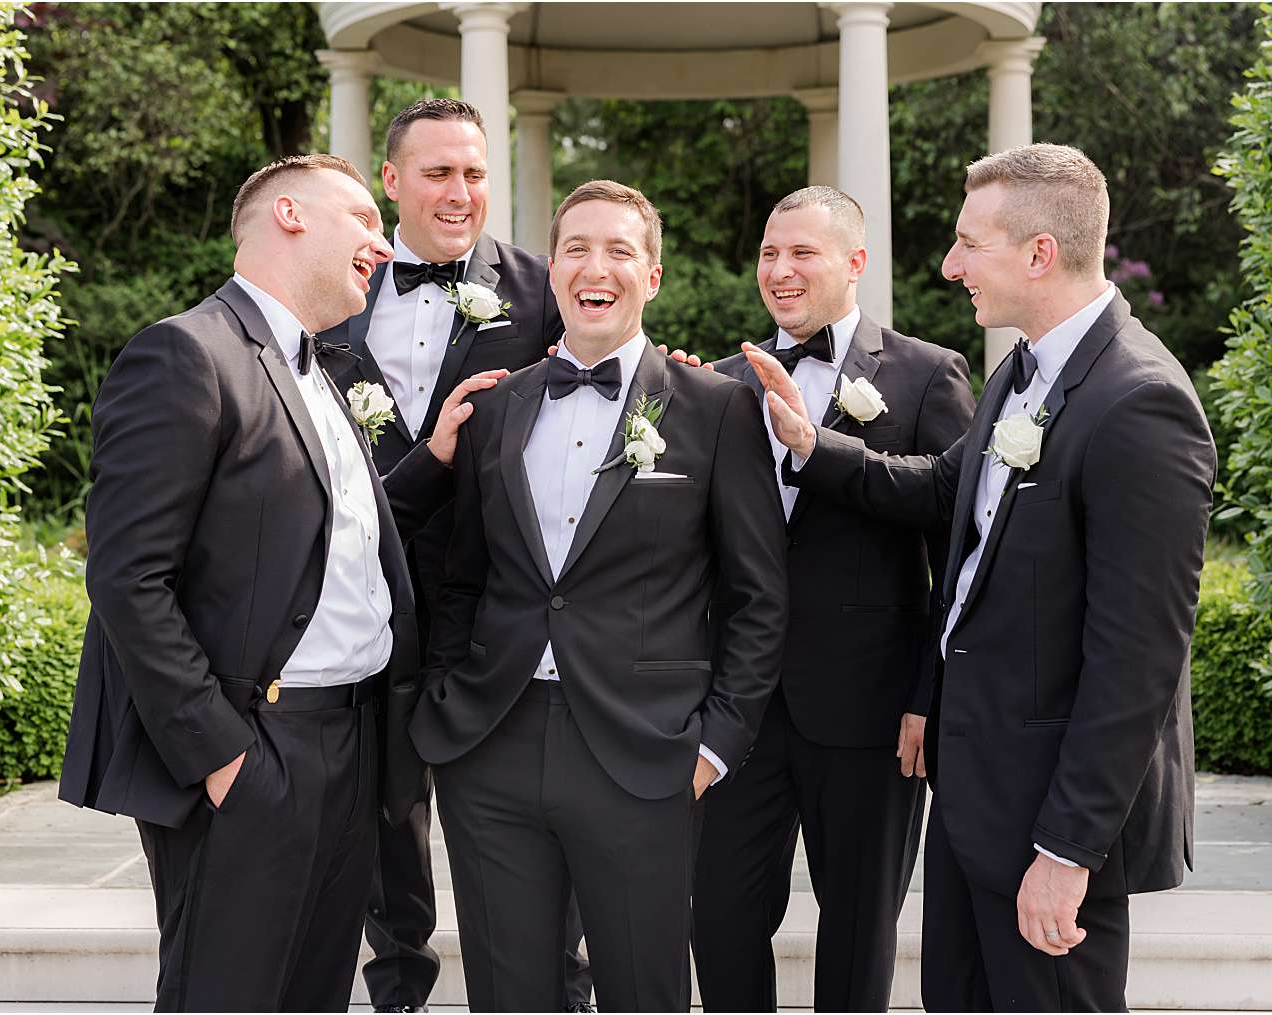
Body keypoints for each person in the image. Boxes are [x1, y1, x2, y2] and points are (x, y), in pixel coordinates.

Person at [746, 143, 1215, 1012]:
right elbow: (940, 488)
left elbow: (1138, 662)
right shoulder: (1023, 371)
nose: (949, 264)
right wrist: (810, 446)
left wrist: (1067, 851)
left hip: (1048, 820)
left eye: (969, 243)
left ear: (1039, 253)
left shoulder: (1140, 400)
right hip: (975, 797)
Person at [58, 154, 498, 1012]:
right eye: (364, 220)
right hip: (255, 746)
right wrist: (222, 756)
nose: (380, 243)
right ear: (289, 215)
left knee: (313, 996)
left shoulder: (323, 370)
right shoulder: (187, 353)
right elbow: (126, 578)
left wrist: (436, 459)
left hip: (354, 742)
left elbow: (334, 535)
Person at [412, 180, 788, 1012]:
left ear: (652, 276)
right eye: (577, 248)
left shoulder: (718, 408)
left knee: (643, 991)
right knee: (510, 995)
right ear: (552, 274)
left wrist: (714, 745)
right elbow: (464, 574)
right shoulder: (497, 407)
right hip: (491, 742)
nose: (597, 265)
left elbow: (757, 596)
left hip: (645, 754)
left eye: (621, 249)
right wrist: (449, 705)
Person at [314, 98, 590, 1014]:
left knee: (529, 797)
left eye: (475, 172)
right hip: (368, 593)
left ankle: (562, 982)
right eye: (437, 172)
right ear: (391, 181)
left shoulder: (546, 287)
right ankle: (399, 987)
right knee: (384, 802)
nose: (460, 191)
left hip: (504, 597)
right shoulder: (329, 294)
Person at [694, 186, 974, 1012]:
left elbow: (952, 547)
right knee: (718, 917)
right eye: (770, 253)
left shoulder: (926, 375)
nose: (779, 271)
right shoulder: (718, 382)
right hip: (737, 708)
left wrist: (929, 697)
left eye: (802, 253)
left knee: (857, 930)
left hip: (872, 709)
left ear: (856, 262)